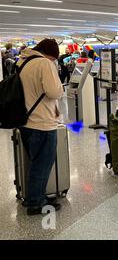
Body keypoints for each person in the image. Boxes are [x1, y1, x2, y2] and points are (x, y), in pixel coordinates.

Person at [17, 38, 64, 215]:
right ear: (49, 54)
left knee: (35, 162)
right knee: (42, 164)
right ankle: (36, 203)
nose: (53, 61)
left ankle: (34, 196)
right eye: (53, 58)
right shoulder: (44, 63)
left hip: (25, 120)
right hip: (42, 122)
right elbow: (54, 91)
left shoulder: (23, 61)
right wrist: (60, 87)